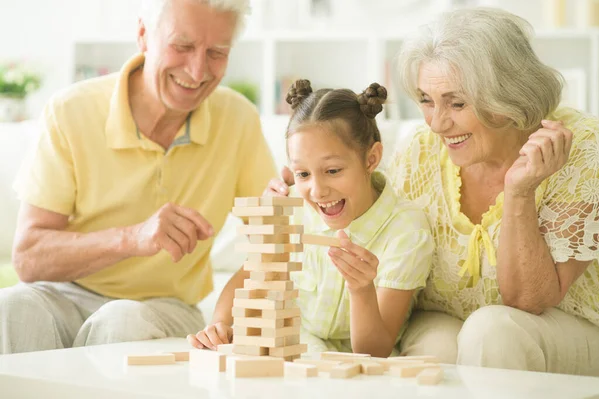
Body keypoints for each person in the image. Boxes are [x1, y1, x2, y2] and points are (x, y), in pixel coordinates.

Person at [0, 0, 277, 354]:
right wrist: (132, 238)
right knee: (12, 307)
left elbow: (272, 239)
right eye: (183, 46)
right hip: (65, 293)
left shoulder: (238, 119)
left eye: (217, 53)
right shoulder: (70, 111)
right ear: (144, 35)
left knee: (121, 320)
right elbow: (28, 258)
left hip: (166, 307)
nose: (196, 71)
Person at [384, 8, 599, 375]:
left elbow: (530, 299)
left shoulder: (581, 149)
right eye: (425, 99)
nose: (437, 123)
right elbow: (374, 229)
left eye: (457, 102)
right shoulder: (418, 151)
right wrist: (308, 191)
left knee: (491, 332)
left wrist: (520, 192)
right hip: (448, 319)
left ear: (508, 95)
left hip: (565, 327)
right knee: (436, 352)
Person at [187, 80, 434, 357]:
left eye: (332, 170)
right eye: (303, 174)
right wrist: (220, 325)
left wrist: (361, 289)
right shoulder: (293, 208)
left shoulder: (406, 229)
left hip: (355, 361)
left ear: (371, 158)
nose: (317, 191)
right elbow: (251, 274)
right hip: (297, 344)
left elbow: (374, 350)